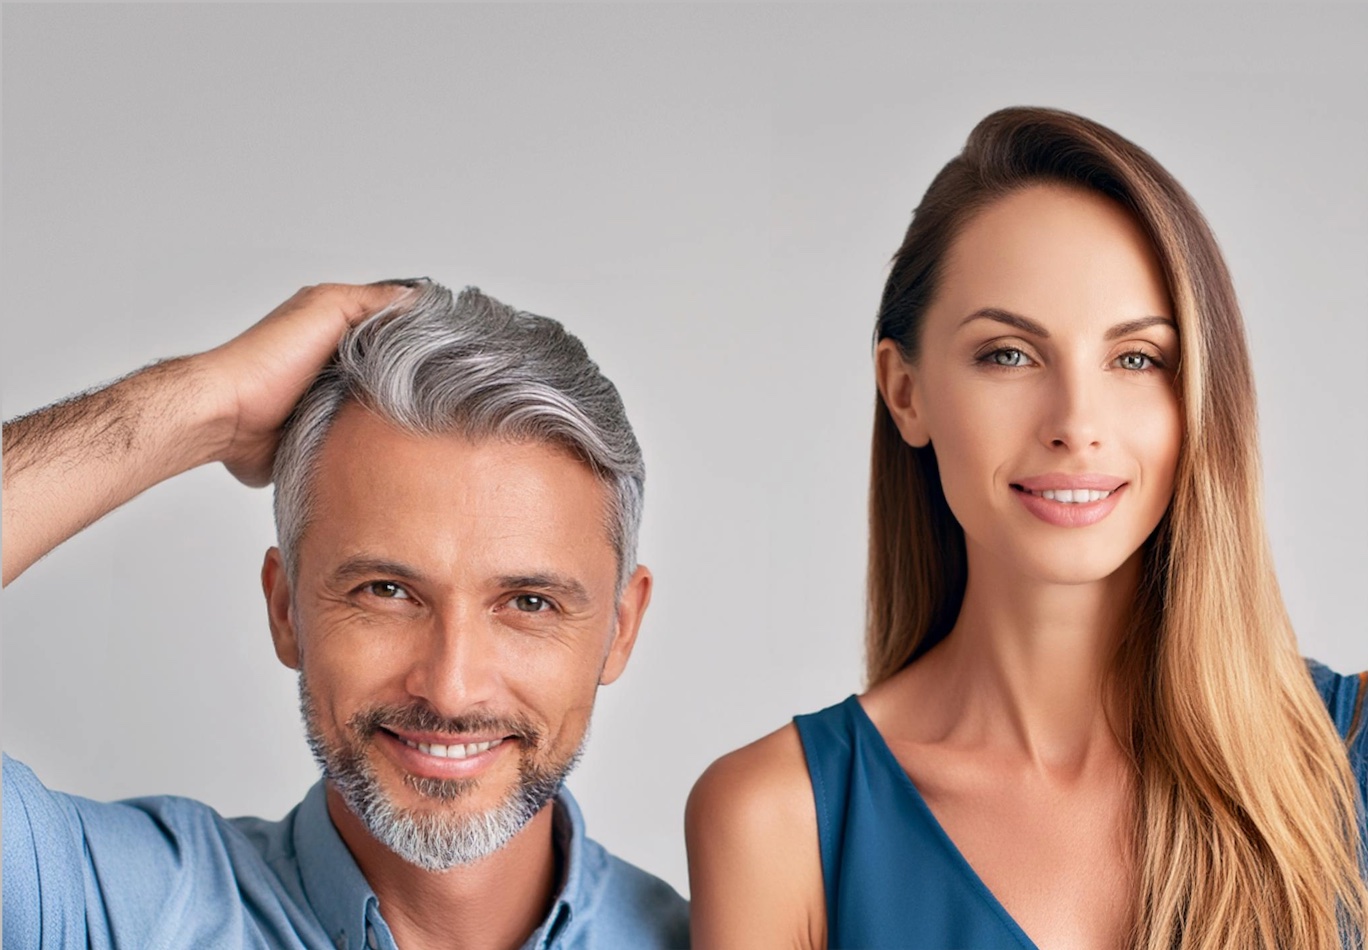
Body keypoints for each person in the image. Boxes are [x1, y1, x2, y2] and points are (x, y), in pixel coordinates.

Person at [685, 107, 1368, 949]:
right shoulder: (775, 820)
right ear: (906, 392)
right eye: (1009, 354)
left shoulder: (1352, 757)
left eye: (1137, 358)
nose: (1076, 422)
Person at [2, 280, 690, 950]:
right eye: (386, 591)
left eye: (529, 604)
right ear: (286, 607)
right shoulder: (121, 911)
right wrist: (209, 404)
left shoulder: (726, 938)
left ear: (620, 627)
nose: (451, 689)